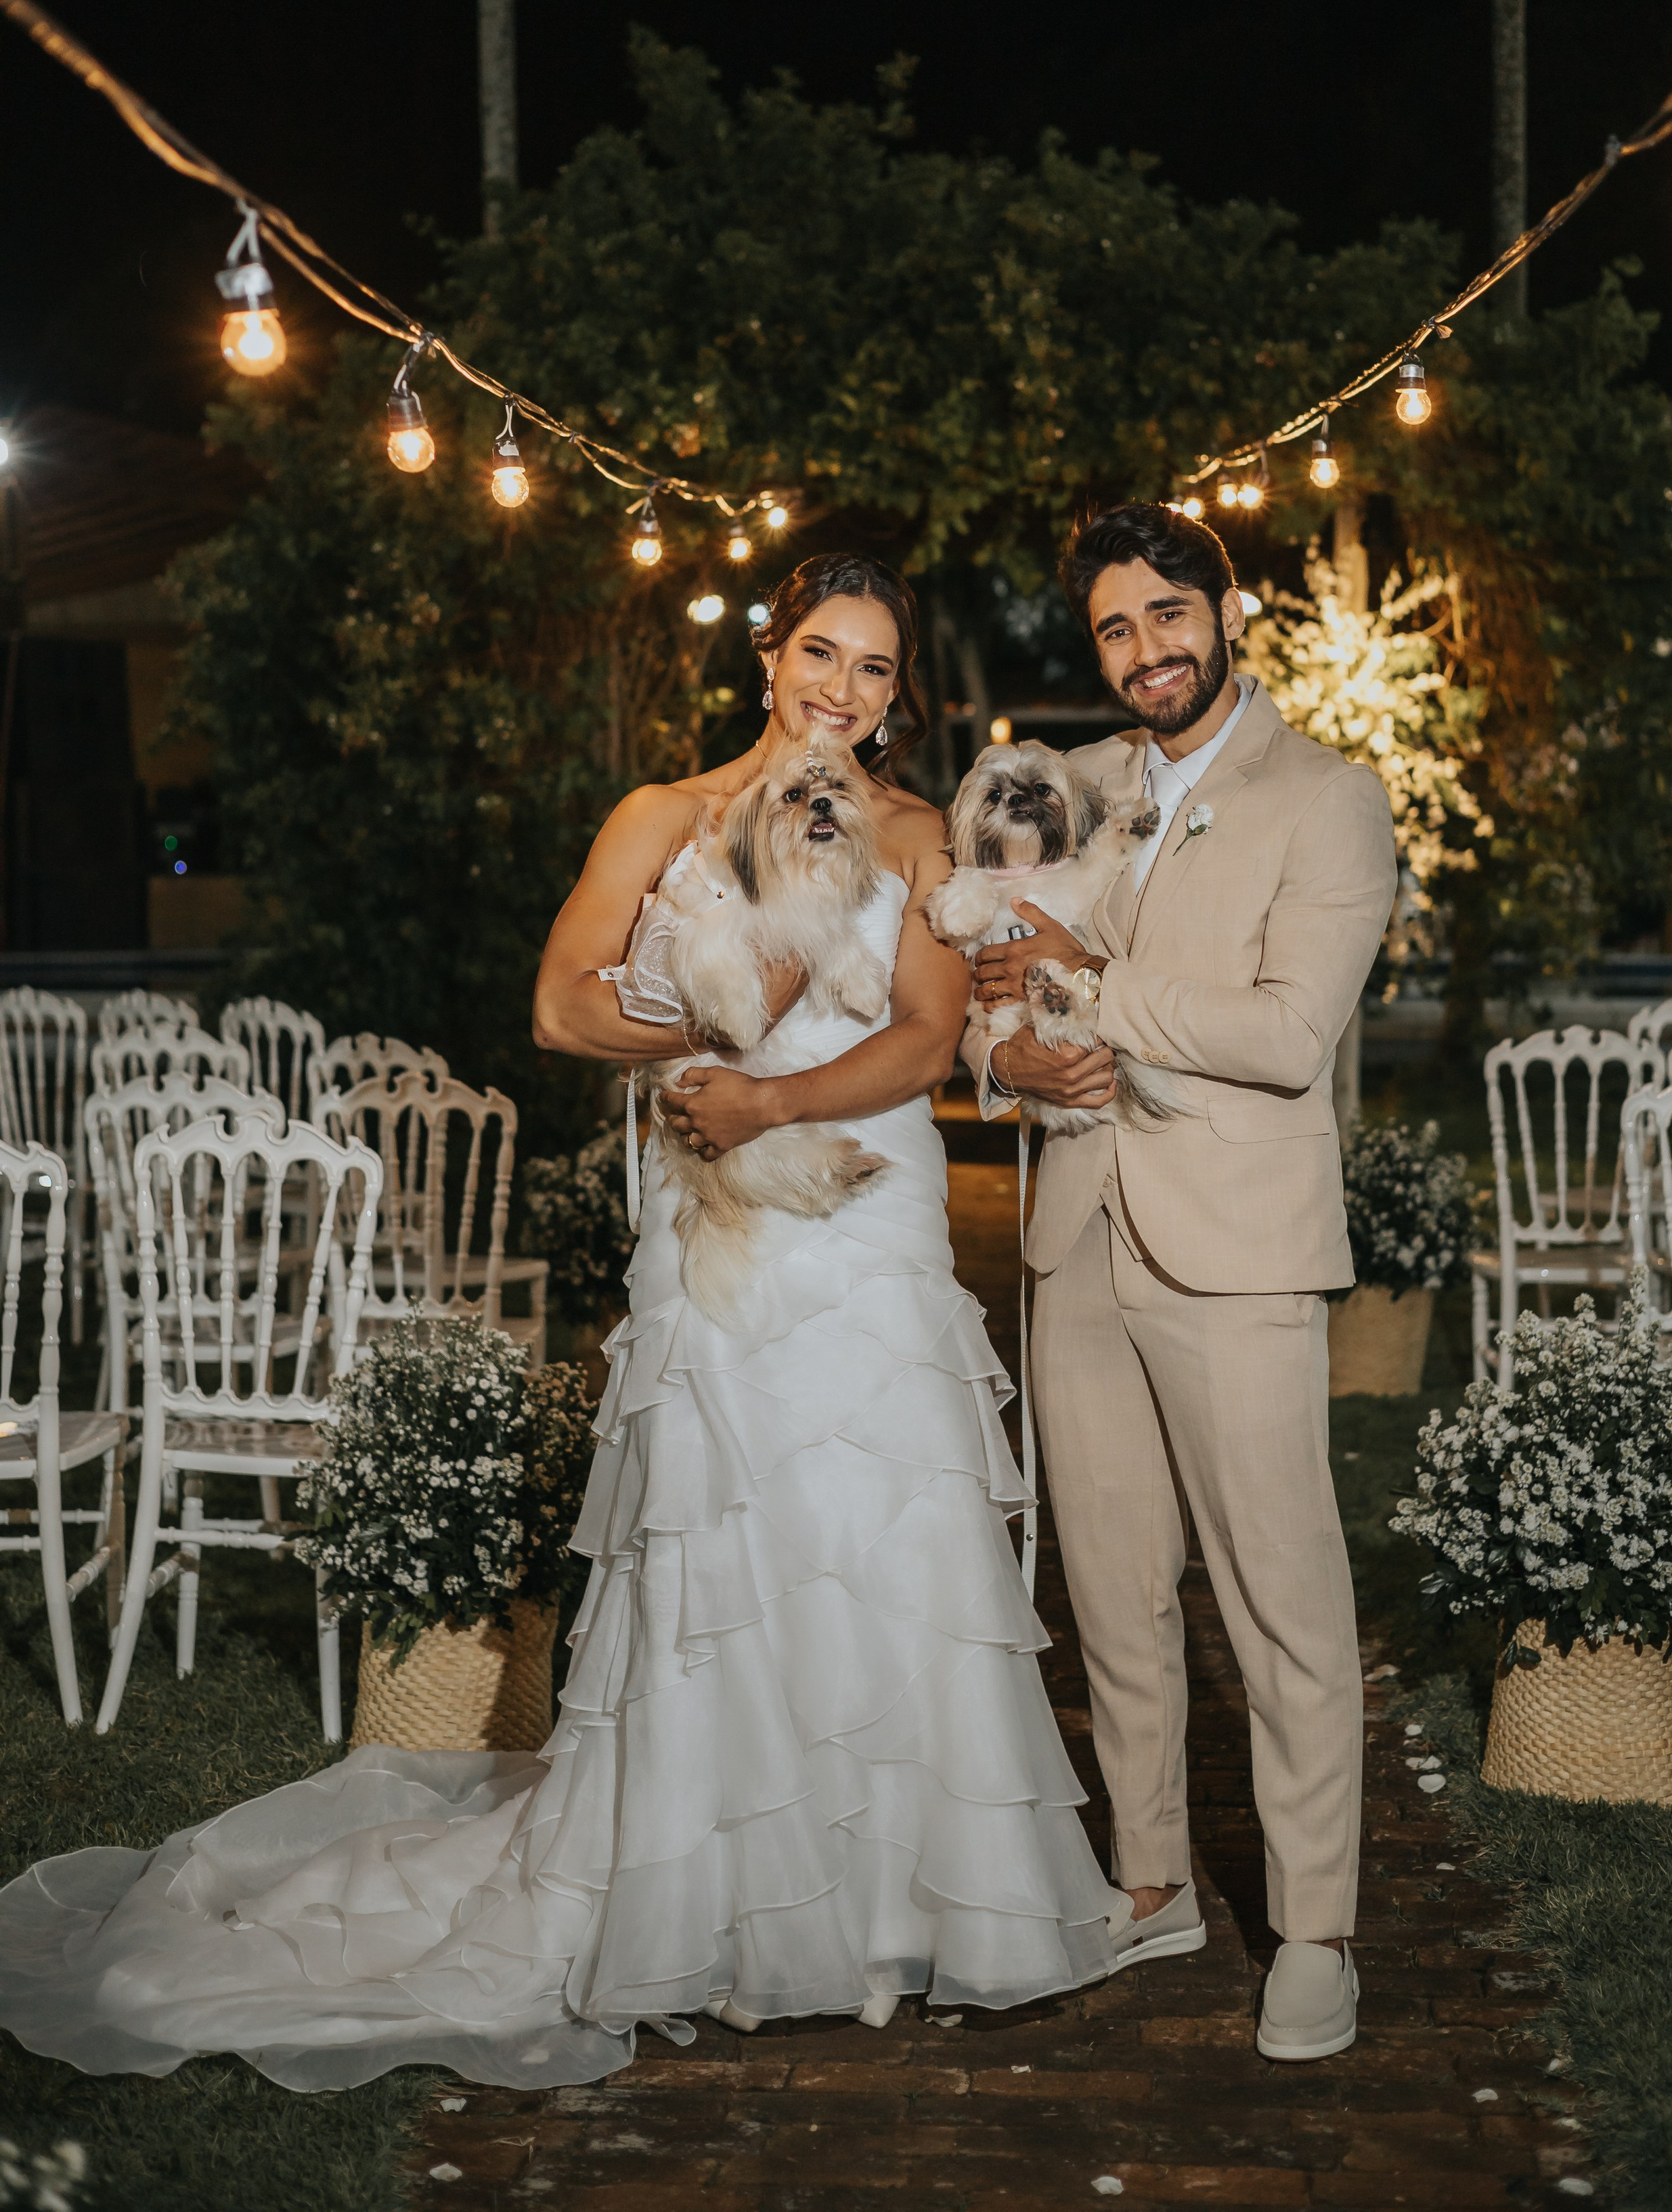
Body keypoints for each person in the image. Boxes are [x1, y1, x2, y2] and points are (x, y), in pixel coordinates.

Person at [0, 550, 1122, 2094]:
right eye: (820, 652)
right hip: (714, 1232)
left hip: (869, 1212)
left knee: (891, 1525)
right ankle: (713, 1903)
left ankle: (900, 1911)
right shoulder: (661, 817)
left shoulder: (920, 832)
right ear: (770, 655)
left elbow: (929, 1039)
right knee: (721, 1537)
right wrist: (722, 1018)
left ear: (894, 693)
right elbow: (560, 1006)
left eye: (873, 667)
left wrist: (772, 1097)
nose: (843, 689)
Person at [967, 502, 1396, 2064]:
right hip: (1079, 1233)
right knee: (1111, 1589)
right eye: (1114, 627)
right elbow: (989, 985)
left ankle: (1316, 1930)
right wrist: (1009, 1056)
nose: (1144, 649)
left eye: (1167, 613)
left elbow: (1287, 1036)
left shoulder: (1326, 799)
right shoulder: (1075, 787)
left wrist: (1093, 994)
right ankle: (1149, 1881)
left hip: (1235, 1246)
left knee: (1280, 1600)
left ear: (1227, 610)